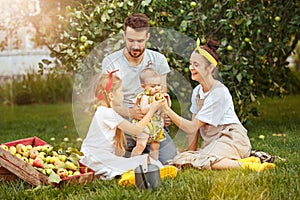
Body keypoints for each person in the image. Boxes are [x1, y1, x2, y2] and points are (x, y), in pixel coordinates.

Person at [160, 39, 276, 172]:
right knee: (181, 159)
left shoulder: (218, 93)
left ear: (210, 68)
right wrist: (191, 152)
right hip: (214, 143)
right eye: (191, 63)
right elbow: (194, 131)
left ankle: (251, 166)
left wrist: (167, 110)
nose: (191, 67)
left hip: (232, 139)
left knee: (203, 161)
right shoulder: (197, 91)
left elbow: (191, 127)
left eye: (196, 64)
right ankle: (246, 159)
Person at [101, 13, 177, 164]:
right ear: (124, 36)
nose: (135, 46)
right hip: (124, 126)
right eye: (131, 40)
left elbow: (162, 94)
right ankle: (134, 151)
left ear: (147, 37)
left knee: (169, 159)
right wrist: (130, 112)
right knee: (114, 160)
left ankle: (146, 152)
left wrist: (166, 112)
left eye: (140, 41)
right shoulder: (111, 62)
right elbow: (107, 103)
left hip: (153, 124)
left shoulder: (158, 60)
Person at [79, 71, 177, 184]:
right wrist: (152, 109)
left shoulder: (104, 111)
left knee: (143, 159)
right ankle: (137, 174)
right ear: (111, 96)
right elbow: (136, 130)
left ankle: (149, 169)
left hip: (94, 158)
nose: (123, 95)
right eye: (121, 91)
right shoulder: (108, 113)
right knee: (140, 162)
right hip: (96, 159)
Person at [131, 68, 172, 160]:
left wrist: (167, 100)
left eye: (158, 85)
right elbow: (144, 110)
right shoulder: (145, 97)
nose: (157, 88)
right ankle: (132, 162)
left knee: (155, 147)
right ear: (144, 87)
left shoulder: (158, 97)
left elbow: (167, 108)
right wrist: (153, 105)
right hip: (145, 127)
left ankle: (154, 163)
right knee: (141, 145)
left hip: (156, 127)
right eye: (153, 86)